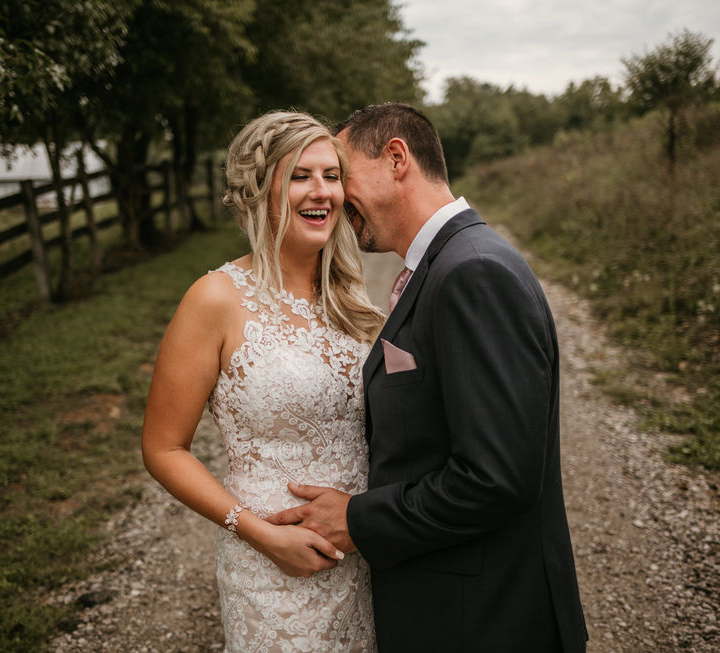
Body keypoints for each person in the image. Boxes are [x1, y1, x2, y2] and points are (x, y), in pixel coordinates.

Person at [268, 103, 589, 652]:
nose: (337, 197)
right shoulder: (448, 262)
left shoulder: (473, 272)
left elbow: (497, 478)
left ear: (396, 159)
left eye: (343, 174)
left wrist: (359, 520)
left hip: (484, 621)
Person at [141, 110, 384, 652]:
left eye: (331, 175)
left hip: (365, 559)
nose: (321, 191)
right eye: (300, 175)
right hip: (273, 570)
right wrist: (261, 534)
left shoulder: (349, 297)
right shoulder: (215, 298)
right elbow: (162, 448)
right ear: (261, 190)